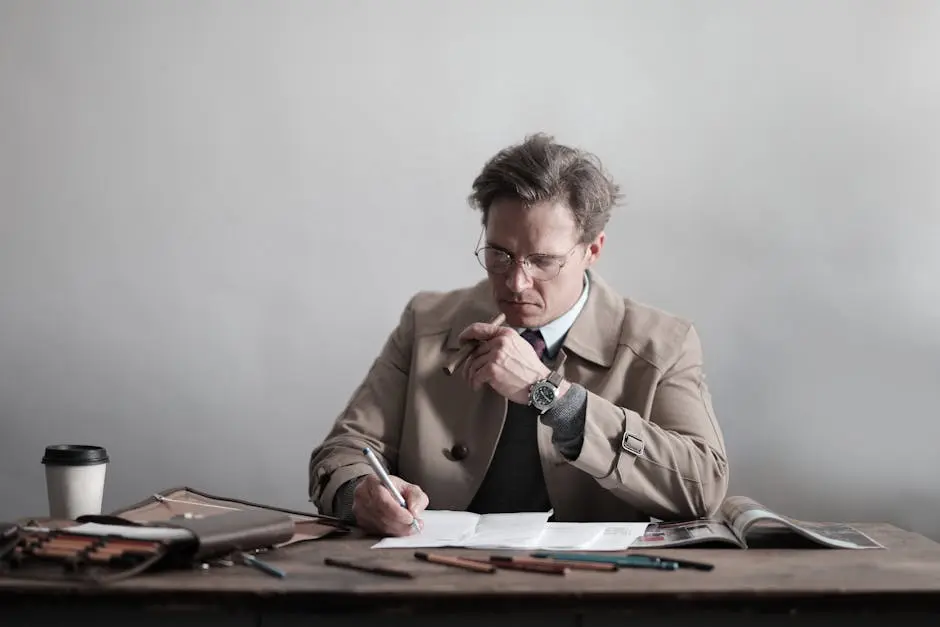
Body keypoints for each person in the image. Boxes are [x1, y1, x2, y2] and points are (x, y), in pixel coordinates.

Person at [308, 133, 729, 537]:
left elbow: (703, 487)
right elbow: (344, 451)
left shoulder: (664, 343)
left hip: (598, 592)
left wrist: (551, 395)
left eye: (543, 260)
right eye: (499, 255)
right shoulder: (426, 321)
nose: (516, 283)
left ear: (592, 250)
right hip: (436, 582)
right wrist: (360, 494)